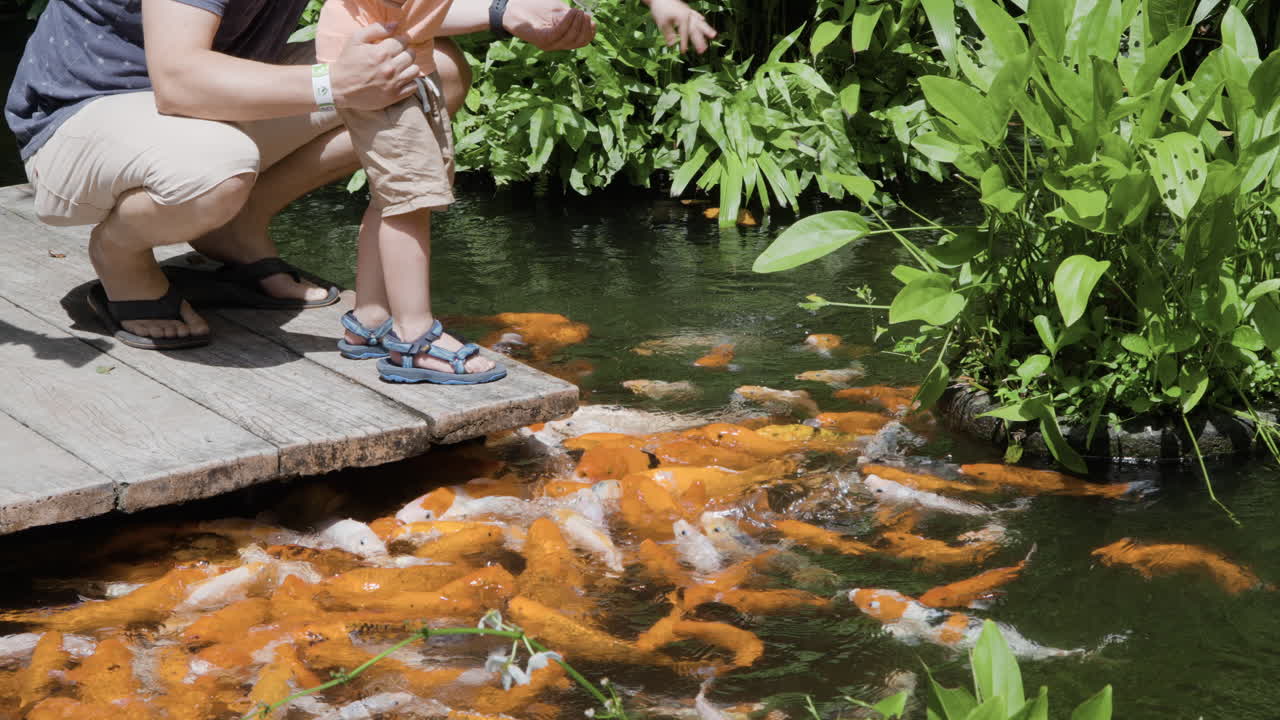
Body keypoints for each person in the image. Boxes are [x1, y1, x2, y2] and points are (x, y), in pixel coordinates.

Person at [4, 0, 600, 349]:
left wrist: (505, 12)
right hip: (84, 112)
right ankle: (120, 255)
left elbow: (396, 6)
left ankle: (238, 227)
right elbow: (180, 80)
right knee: (213, 167)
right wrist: (334, 83)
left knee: (429, 73)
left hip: (198, 103)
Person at [316, 0, 716, 383]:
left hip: (405, 60)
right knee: (409, 198)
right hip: (374, 63)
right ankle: (413, 337)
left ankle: (369, 319)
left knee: (395, 194)